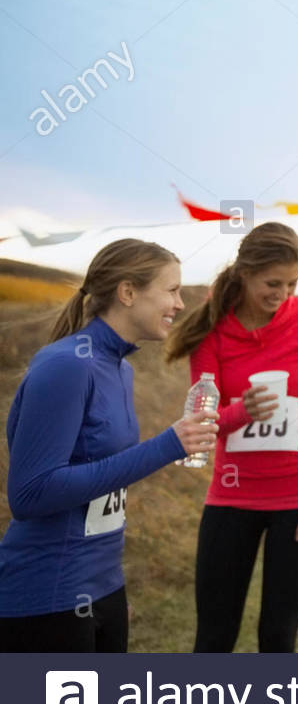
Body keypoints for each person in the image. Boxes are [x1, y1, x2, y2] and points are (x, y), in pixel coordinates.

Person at [0, 240, 217, 652]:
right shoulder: (66, 366)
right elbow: (30, 494)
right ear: (128, 292)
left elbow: (104, 483)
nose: (180, 302)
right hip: (47, 595)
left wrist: (109, 590)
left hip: (104, 586)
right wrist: (167, 445)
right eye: (171, 290)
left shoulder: (120, 369)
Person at [163, 222, 298, 652]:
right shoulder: (212, 328)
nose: (282, 293)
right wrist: (242, 411)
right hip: (230, 498)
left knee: (278, 637)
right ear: (244, 272)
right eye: (272, 282)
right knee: (214, 636)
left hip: (297, 501)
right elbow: (200, 421)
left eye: (293, 283)